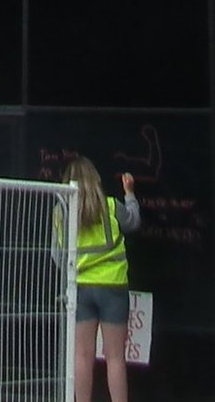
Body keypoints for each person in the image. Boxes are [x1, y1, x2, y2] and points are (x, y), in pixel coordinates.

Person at [66, 156, 139, 402]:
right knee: (115, 357)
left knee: (82, 356)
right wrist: (129, 194)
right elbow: (133, 222)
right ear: (95, 181)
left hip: (81, 289)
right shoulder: (110, 206)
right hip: (113, 288)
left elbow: (57, 256)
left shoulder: (62, 213)